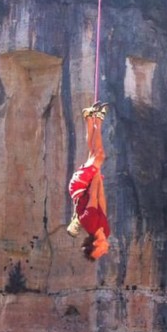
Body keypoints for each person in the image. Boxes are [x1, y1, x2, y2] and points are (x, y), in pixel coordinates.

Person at [67, 102, 110, 261]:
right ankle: (90, 118)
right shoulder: (106, 230)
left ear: (96, 244)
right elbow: (102, 201)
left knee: (99, 156)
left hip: (79, 187)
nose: (105, 251)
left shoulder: (90, 224)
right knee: (94, 153)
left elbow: (93, 197)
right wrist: (98, 177)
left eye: (100, 252)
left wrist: (96, 173)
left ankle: (97, 118)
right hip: (88, 187)